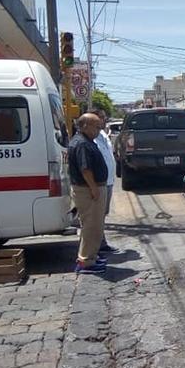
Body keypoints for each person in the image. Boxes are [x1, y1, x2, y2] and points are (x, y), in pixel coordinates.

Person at [68, 113, 109, 274]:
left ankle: (91, 256)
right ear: (85, 126)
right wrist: (93, 188)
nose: (99, 130)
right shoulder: (82, 144)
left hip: (91, 188)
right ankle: (86, 262)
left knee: (94, 226)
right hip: (88, 190)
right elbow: (85, 169)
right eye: (97, 127)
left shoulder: (86, 141)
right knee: (91, 227)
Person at [91, 109, 119, 255]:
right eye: (101, 118)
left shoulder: (102, 134)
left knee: (103, 214)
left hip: (108, 181)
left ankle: (101, 243)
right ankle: (97, 245)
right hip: (99, 183)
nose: (104, 120)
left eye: (104, 117)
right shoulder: (91, 138)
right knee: (97, 214)